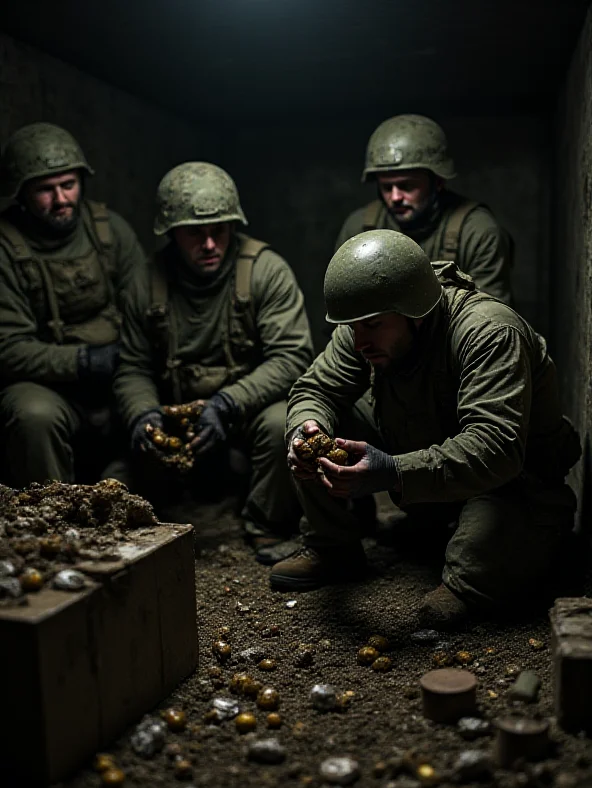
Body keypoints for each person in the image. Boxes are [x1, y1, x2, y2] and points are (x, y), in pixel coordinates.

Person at [273, 229, 580, 629]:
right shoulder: (368, 325)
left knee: (469, 581)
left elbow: (495, 448)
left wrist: (392, 471)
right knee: (317, 433)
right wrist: (305, 430)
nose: (360, 341)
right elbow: (316, 389)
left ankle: (493, 556)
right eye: (354, 327)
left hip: (512, 480)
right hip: (426, 450)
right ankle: (332, 546)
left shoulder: (487, 333)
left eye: (373, 326)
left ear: (414, 313)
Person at [114, 162, 314, 556]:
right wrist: (142, 414)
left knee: (281, 424)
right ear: (171, 233)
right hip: (175, 413)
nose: (209, 245)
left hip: (244, 408)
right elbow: (132, 365)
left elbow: (292, 356)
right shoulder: (146, 280)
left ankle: (266, 523)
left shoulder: (265, 270)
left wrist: (227, 404)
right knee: (115, 480)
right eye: (195, 233)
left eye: (219, 231)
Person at [0, 122, 146, 487]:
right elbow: (8, 348)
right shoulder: (5, 247)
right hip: (45, 383)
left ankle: (126, 503)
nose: (62, 199)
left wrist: (130, 361)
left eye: (69, 185)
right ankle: (54, 515)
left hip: (118, 374)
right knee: (34, 415)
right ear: (21, 194)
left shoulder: (111, 231)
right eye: (45, 190)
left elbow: (149, 313)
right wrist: (83, 361)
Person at [336, 114, 514, 305]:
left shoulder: (477, 232)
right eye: (387, 187)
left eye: (407, 186)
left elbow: (491, 321)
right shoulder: (360, 229)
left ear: (437, 182)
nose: (395, 197)